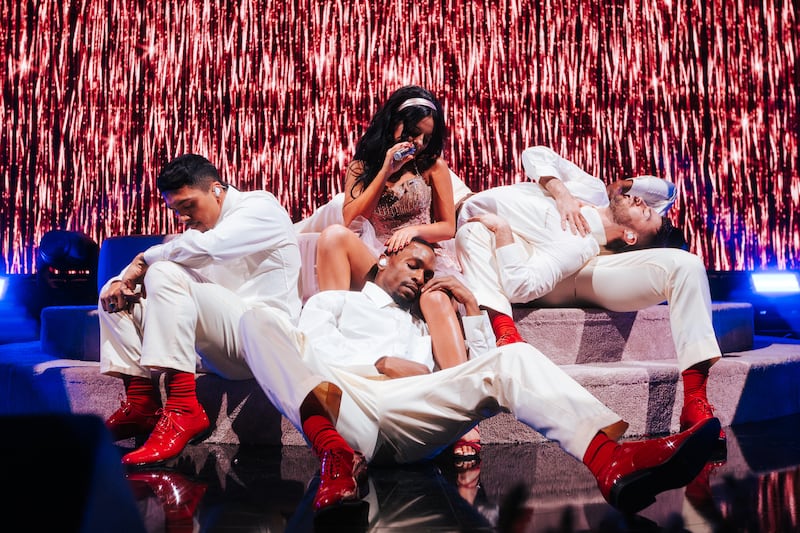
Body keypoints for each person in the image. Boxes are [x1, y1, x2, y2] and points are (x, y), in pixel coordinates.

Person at [238, 238, 720, 515]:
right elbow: (317, 356)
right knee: (256, 320)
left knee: (511, 359)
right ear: (384, 259)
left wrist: (470, 309)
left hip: (411, 417)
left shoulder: (420, 323)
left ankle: (609, 460)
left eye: (429, 273)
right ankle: (335, 457)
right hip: (347, 409)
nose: (420, 277)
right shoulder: (334, 302)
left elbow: (479, 375)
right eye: (413, 264)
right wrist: (386, 364)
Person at [455, 145, 725, 447]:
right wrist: (574, 192)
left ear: (631, 237)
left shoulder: (578, 243)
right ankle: (505, 333)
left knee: (687, 263)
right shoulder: (593, 190)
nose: (641, 201)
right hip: (495, 238)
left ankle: (695, 401)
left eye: (645, 210)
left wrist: (503, 231)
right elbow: (534, 154)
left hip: (582, 266)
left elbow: (523, 285)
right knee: (472, 234)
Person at [98, 154, 302, 467]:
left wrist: (144, 260)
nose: (183, 218)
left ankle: (183, 408)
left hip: (263, 340)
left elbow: (212, 249)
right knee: (112, 291)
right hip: (220, 343)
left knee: (161, 272)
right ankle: (142, 403)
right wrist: (125, 278)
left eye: (189, 206)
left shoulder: (260, 207)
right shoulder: (198, 234)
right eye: (176, 211)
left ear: (216, 189)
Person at [309, 85, 480, 458]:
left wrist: (415, 230)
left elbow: (448, 226)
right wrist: (387, 167)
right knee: (334, 236)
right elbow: (353, 216)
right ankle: (335, 342)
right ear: (393, 124)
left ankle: (464, 413)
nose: (418, 142)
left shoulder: (434, 167)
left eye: (426, 136)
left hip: (423, 256)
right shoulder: (362, 166)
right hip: (381, 257)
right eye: (412, 131)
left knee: (436, 299)